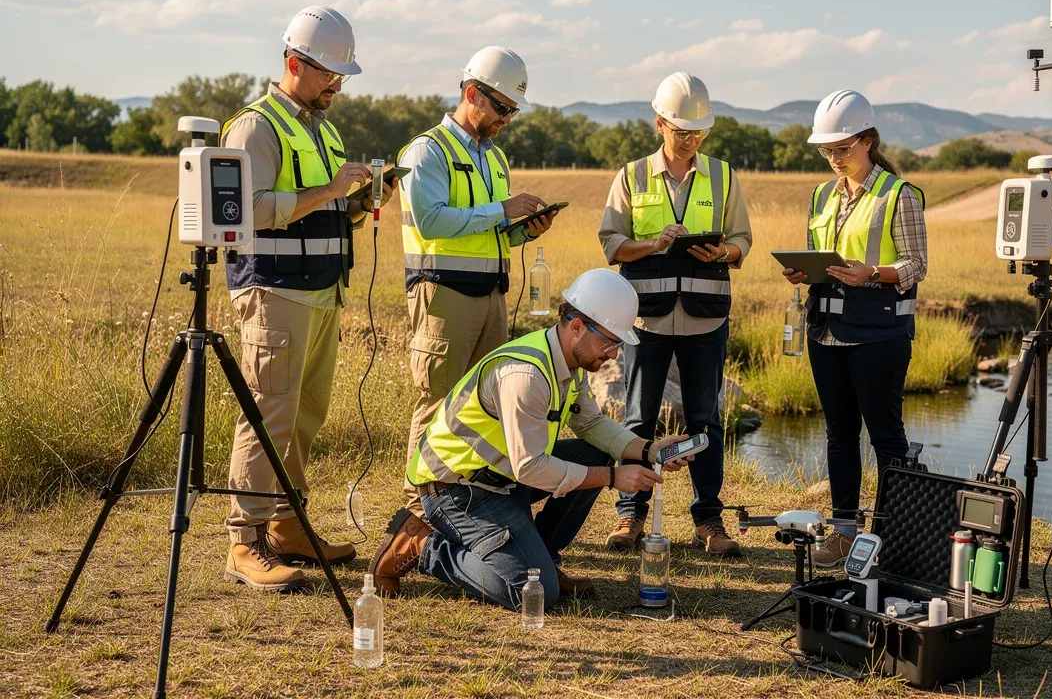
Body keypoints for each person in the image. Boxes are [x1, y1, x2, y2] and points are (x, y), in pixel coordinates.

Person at [368, 269, 694, 605]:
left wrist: (649, 450)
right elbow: (530, 467)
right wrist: (613, 477)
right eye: (609, 341)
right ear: (578, 327)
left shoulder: (570, 364)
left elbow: (592, 425)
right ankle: (423, 546)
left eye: (617, 344)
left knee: (594, 453)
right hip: (457, 490)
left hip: (502, 479)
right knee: (532, 595)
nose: (613, 354)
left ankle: (543, 561)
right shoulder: (526, 375)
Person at [222, 5, 398, 591]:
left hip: (321, 293)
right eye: (331, 75)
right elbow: (250, 210)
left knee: (302, 416)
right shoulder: (255, 126)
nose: (337, 87)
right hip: (274, 293)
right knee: (268, 413)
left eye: (342, 77)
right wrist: (329, 188)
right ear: (295, 63)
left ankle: (287, 527)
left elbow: (319, 209)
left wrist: (360, 199)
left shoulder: (321, 128)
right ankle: (244, 542)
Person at [369, 47, 558, 582]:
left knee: (483, 405)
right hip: (443, 295)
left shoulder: (493, 157)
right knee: (435, 402)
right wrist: (503, 211)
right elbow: (431, 220)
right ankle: (414, 517)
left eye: (513, 112)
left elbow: (485, 228)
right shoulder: (426, 150)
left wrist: (524, 228)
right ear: (471, 92)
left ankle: (466, 509)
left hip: (490, 294)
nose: (505, 120)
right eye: (501, 107)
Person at [598, 72, 753, 557]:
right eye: (682, 131)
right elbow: (611, 243)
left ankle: (708, 520)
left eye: (699, 132)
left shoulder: (724, 176)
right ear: (659, 123)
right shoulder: (631, 176)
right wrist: (652, 244)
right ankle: (631, 516)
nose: (691, 141)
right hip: (646, 320)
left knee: (706, 420)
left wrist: (723, 253)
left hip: (706, 317)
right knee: (639, 417)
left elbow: (743, 241)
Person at [781, 90, 928, 565]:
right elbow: (820, 253)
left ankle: (895, 535)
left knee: (885, 434)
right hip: (825, 328)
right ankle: (844, 532)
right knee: (839, 433)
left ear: (868, 140)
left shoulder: (899, 194)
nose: (834, 159)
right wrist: (805, 271)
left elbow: (916, 264)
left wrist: (874, 272)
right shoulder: (822, 195)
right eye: (827, 151)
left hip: (879, 332)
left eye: (841, 148)